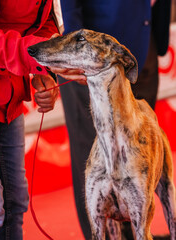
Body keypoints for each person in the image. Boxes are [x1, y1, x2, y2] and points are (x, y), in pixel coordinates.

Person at [55, 0, 171, 239]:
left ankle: (132, 234)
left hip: (144, 45)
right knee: (94, 160)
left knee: (138, 157)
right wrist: (76, 52)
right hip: (95, 58)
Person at [0, 0, 86, 239]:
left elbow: (44, 23)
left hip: (9, 98)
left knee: (15, 200)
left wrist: (43, 69)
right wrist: (33, 56)